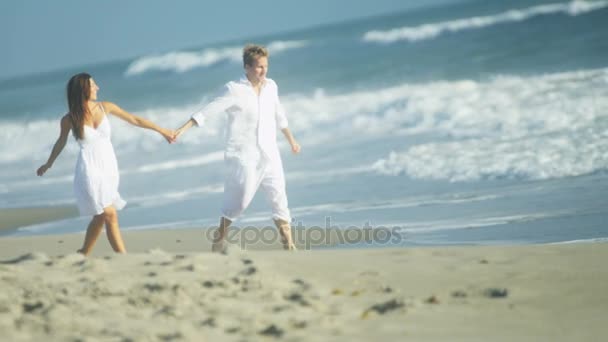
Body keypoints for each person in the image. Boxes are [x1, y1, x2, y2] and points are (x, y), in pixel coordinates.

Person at [175, 44, 301, 252]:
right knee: (240, 201)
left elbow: (280, 116)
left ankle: (289, 244)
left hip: (270, 154)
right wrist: (183, 129)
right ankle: (219, 238)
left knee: (279, 198)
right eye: (259, 67)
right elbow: (209, 110)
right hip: (245, 155)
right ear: (247, 67)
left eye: (265, 66)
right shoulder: (234, 89)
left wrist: (292, 140)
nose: (263, 71)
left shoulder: (271, 87)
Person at [36, 73, 175, 256]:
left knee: (101, 216)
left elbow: (134, 119)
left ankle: (83, 253)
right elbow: (61, 141)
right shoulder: (69, 119)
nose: (97, 88)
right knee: (109, 213)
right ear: (83, 89)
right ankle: (123, 257)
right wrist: (49, 163)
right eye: (93, 85)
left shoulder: (105, 107)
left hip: (109, 168)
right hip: (89, 169)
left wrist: (162, 130)